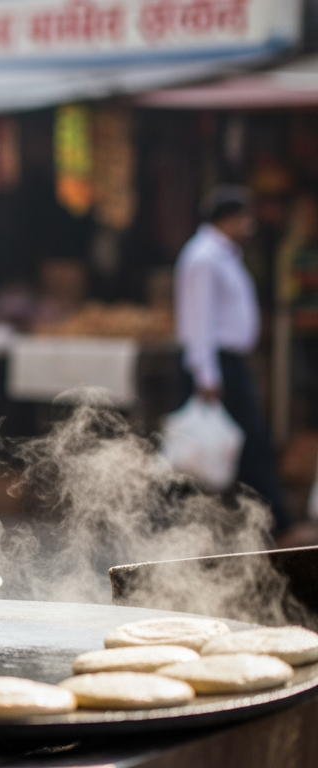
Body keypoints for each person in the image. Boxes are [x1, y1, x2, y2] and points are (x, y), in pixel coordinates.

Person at [175, 187, 294, 538]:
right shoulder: (203, 258)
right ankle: (278, 524)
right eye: (244, 218)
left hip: (227, 362)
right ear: (226, 219)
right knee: (237, 443)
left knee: (224, 444)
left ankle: (256, 521)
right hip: (214, 363)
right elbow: (199, 322)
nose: (250, 226)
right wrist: (206, 374)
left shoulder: (225, 256)